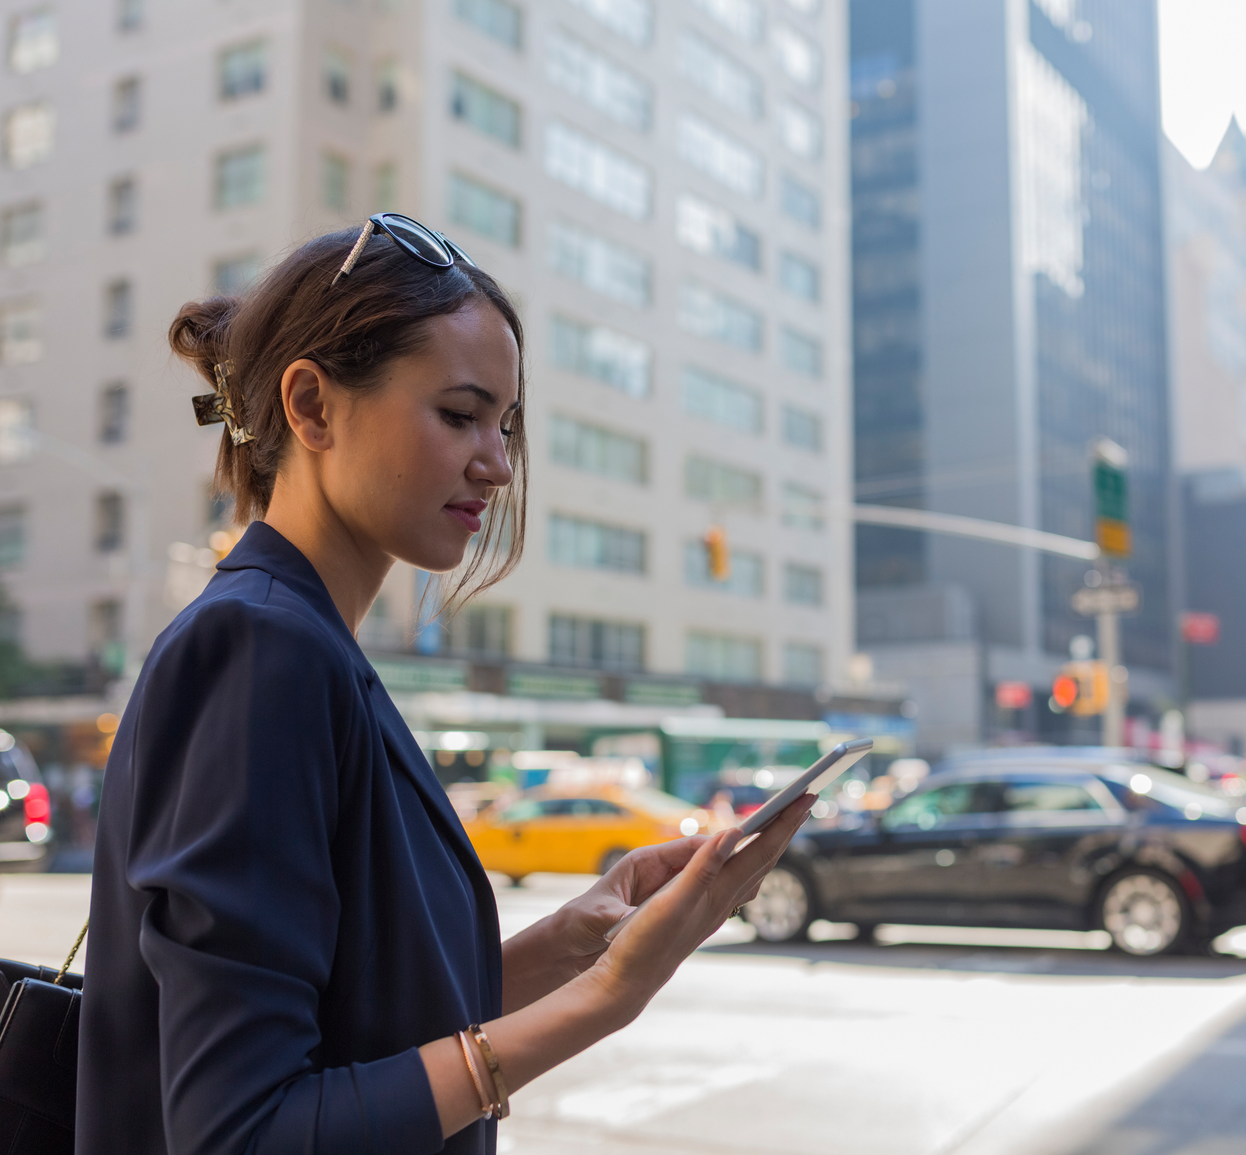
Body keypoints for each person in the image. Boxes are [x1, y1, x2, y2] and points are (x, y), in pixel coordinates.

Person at [76, 217, 813, 1154]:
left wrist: (580, 937)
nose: (497, 464)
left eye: (503, 425)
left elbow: (367, 1026)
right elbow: (242, 1129)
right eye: (460, 415)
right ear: (311, 407)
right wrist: (607, 998)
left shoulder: (307, 646)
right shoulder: (261, 649)